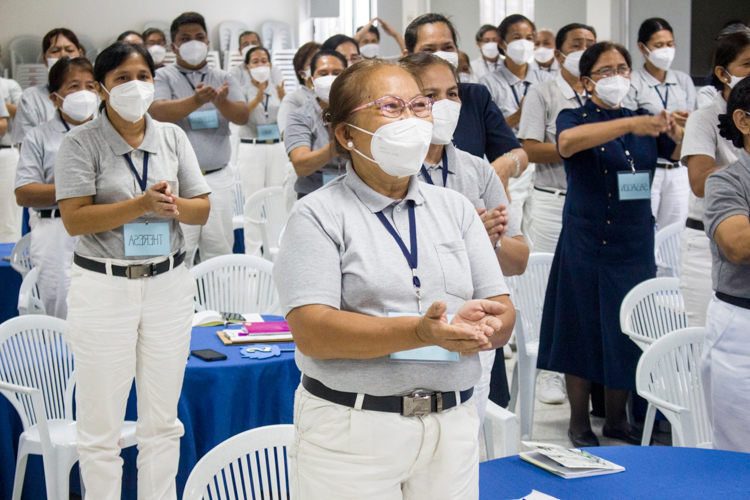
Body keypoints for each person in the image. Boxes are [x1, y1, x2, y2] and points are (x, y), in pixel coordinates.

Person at [274, 57, 515, 499]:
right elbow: (313, 332)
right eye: (390, 107)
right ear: (346, 134)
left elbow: (503, 311)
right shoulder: (318, 215)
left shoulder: (455, 209)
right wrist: (420, 332)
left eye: (419, 106)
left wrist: (484, 326)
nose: (412, 120)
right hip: (354, 432)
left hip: (451, 426)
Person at [55, 41, 210, 499]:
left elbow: (201, 209)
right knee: (101, 427)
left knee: (162, 422)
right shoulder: (81, 142)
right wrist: (140, 205)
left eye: (143, 76)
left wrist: (171, 205)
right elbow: (75, 219)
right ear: (103, 89)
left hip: (167, 284)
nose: (135, 86)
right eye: (122, 78)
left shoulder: (172, 137)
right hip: (105, 288)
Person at [537, 42, 683, 447]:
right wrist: (627, 126)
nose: (616, 76)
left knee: (627, 331)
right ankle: (579, 421)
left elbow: (681, 150)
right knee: (579, 330)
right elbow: (566, 144)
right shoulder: (576, 116)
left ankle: (618, 419)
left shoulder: (644, 119)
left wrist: (675, 128)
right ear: (586, 81)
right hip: (586, 240)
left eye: (622, 68)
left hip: (633, 241)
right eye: (605, 71)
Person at [404, 12, 526, 409]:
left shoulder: (476, 170)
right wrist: (462, 231)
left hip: (474, 329)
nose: (445, 104)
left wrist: (484, 240)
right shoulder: (390, 171)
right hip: (409, 327)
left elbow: (519, 259)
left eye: (452, 94)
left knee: (465, 439)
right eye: (430, 96)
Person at [517, 23, 596, 405]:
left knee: (587, 289)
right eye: (576, 45)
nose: (584, 50)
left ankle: (589, 372)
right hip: (554, 196)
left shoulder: (602, 94)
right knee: (550, 286)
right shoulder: (544, 93)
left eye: (590, 44)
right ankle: (549, 371)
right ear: (561, 54)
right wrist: (574, 146)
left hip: (595, 203)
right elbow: (530, 148)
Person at [150, 12, 249, 263]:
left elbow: (242, 116)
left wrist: (220, 101)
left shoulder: (224, 77)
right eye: (185, 38)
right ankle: (186, 304)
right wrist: (196, 100)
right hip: (178, 182)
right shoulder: (163, 76)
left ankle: (220, 300)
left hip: (218, 177)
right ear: (174, 46)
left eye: (199, 37)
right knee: (181, 251)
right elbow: (157, 112)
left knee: (220, 249)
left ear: (207, 43)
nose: (193, 42)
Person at [404, 14, 527, 191]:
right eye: (429, 50)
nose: (440, 56)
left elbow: (519, 154)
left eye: (447, 47)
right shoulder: (400, 104)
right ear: (408, 56)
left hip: (471, 205)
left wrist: (504, 166)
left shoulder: (475, 96)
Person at [14, 57, 96, 318]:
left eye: (90, 85)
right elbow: (25, 192)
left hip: (103, 225)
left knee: (104, 305)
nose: (83, 92)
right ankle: (59, 359)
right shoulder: (38, 136)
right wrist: (76, 188)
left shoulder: (110, 132)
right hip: (55, 229)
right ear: (54, 98)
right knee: (62, 306)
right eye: (73, 86)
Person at [680, 29, 749, 327]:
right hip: (705, 237)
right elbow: (699, 182)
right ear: (723, 73)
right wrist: (743, 167)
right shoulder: (705, 117)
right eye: (747, 64)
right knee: (703, 332)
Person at [702, 77, 750, 453]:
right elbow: (737, 244)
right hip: (741, 328)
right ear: (744, 121)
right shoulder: (727, 180)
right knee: (739, 453)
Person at [480, 14, 552, 235]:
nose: (524, 43)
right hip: (509, 163)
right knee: (513, 227)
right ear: (502, 43)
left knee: (538, 227)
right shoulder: (488, 82)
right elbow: (488, 129)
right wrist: (521, 114)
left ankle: (537, 270)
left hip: (542, 164)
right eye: (517, 37)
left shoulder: (545, 81)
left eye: (529, 37)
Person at [622, 18, 696, 231]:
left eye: (670, 44)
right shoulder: (632, 82)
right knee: (639, 228)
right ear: (642, 48)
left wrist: (683, 123)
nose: (666, 50)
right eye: (659, 45)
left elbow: (694, 121)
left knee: (674, 234)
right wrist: (661, 120)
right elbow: (628, 125)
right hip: (642, 168)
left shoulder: (683, 81)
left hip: (678, 168)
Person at [236, 46, 288, 256]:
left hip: (276, 147)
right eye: (255, 61)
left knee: (277, 202)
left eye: (264, 61)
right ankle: (253, 259)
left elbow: (288, 117)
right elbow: (240, 117)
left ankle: (278, 253)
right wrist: (257, 98)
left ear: (270, 64)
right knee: (253, 203)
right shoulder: (240, 89)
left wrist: (284, 98)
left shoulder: (279, 87)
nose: (261, 65)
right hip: (252, 147)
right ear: (248, 67)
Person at [284, 50, 347, 198]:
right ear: (311, 82)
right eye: (323, 74)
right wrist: (337, 144)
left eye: (336, 73)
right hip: (312, 194)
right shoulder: (300, 116)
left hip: (352, 194)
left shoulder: (359, 113)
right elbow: (301, 166)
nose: (330, 78)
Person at [12, 28, 83, 146]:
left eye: (69, 50)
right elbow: (25, 148)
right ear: (44, 58)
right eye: (55, 51)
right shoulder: (31, 98)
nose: (63, 56)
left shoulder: (93, 95)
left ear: (80, 55)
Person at [278, 42, 320, 135]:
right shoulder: (293, 99)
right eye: (311, 64)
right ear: (302, 73)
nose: (318, 67)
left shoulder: (335, 96)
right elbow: (288, 136)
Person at [0, 75, 23, 242]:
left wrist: (3, 104)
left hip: (6, 152)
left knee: (7, 215)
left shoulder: (8, 85)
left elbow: (23, 113)